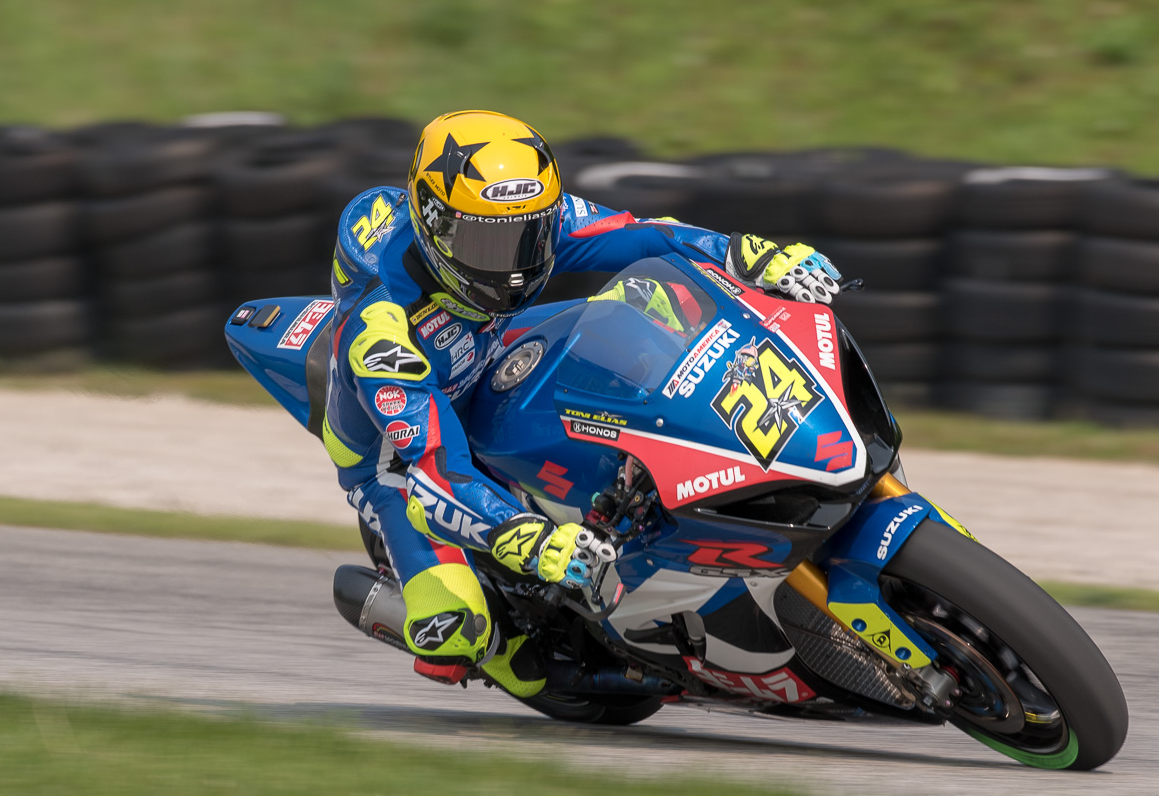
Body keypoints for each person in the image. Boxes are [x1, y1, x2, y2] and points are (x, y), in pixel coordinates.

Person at [322, 110, 843, 695]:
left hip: (489, 345)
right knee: (457, 630)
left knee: (638, 323)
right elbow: (434, 471)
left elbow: (644, 234)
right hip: (397, 453)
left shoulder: (528, 220)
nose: (513, 265)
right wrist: (535, 542)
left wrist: (749, 257)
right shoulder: (381, 335)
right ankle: (490, 642)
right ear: (434, 226)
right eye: (488, 243)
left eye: (527, 236)